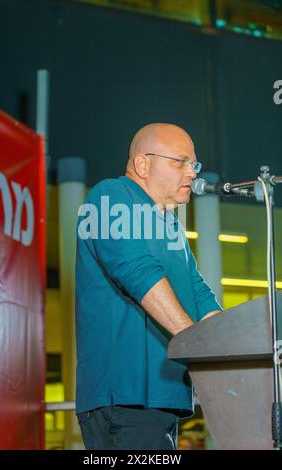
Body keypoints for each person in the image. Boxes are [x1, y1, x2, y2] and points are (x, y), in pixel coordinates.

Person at [75, 123, 222, 450]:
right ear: (143, 164)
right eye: (180, 162)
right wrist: (197, 347)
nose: (191, 173)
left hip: (163, 398)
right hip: (125, 399)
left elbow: (198, 293)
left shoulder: (172, 225)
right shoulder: (109, 195)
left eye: (194, 165)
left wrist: (234, 350)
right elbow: (138, 272)